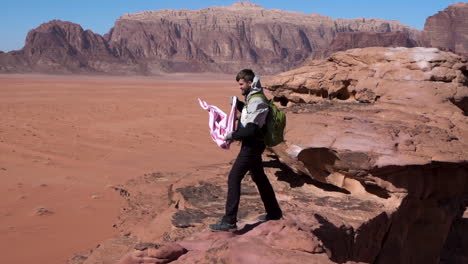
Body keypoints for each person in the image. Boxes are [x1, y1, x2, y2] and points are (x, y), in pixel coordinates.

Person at [209, 69, 283, 232]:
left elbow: (251, 130)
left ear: (250, 83)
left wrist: (231, 135)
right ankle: (274, 212)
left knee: (234, 177)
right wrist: (238, 104)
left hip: (252, 145)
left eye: (242, 84)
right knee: (259, 177)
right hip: (254, 144)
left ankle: (229, 221)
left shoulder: (257, 100)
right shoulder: (254, 98)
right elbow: (251, 115)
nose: (240, 87)